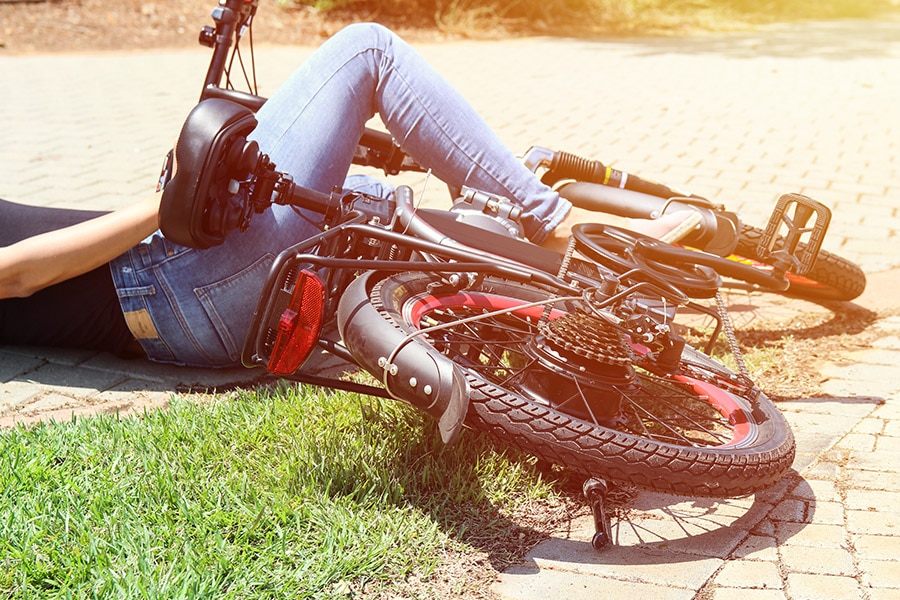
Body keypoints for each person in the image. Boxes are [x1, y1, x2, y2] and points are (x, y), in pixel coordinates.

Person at [0, 23, 686, 367]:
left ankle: (594, 272)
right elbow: (22, 273)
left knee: (373, 205)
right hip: (178, 296)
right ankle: (557, 222)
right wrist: (170, 203)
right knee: (367, 51)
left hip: (182, 292)